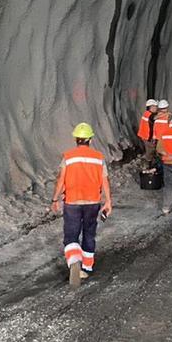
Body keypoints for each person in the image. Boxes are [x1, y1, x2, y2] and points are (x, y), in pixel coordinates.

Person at [49, 123, 114, 287]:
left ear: (76, 139)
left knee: (71, 234)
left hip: (72, 201)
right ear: (90, 140)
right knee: (89, 233)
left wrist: (55, 199)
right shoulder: (98, 158)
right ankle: (86, 266)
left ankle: (74, 262)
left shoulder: (68, 157)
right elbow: (105, 180)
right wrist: (108, 201)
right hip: (92, 202)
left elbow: (61, 180)